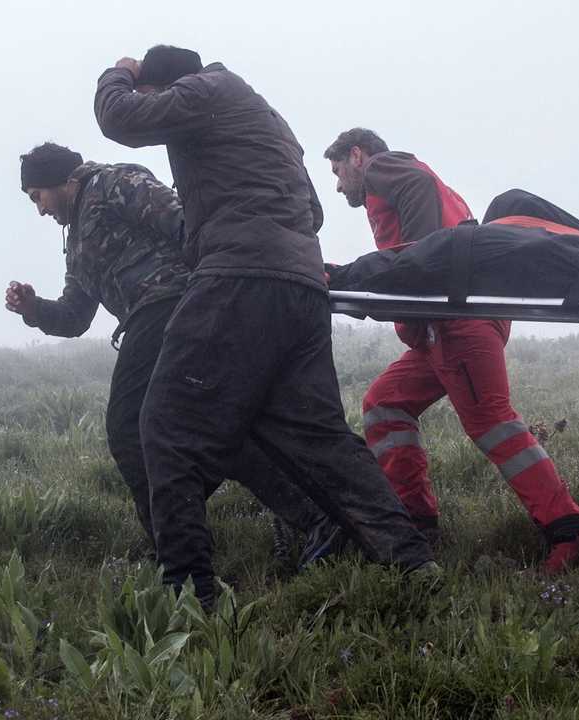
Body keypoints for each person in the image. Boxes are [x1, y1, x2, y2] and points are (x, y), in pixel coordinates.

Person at [94, 46, 435, 606]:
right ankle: (412, 561)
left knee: (163, 426)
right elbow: (314, 212)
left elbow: (120, 119)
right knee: (320, 437)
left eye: (157, 97)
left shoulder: (205, 90)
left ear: (169, 84)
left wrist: (121, 74)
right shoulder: (267, 119)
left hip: (238, 280)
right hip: (299, 287)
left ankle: (190, 596)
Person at [5, 142, 340, 565]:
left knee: (128, 427)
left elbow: (186, 223)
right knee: (213, 430)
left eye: (38, 196)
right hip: (151, 316)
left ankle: (175, 551)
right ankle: (314, 520)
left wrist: (227, 288)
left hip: (175, 305)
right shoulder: (76, 242)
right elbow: (75, 316)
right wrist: (35, 310)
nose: (39, 210)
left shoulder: (114, 183)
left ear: (62, 180)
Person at [323, 128, 579, 574]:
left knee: (491, 422)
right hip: (450, 322)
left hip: (458, 322)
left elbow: (420, 242)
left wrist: (419, 263)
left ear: (357, 156)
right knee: (385, 404)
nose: (339, 184)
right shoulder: (409, 188)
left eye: (338, 171)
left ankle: (572, 534)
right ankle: (416, 525)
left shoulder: (386, 168)